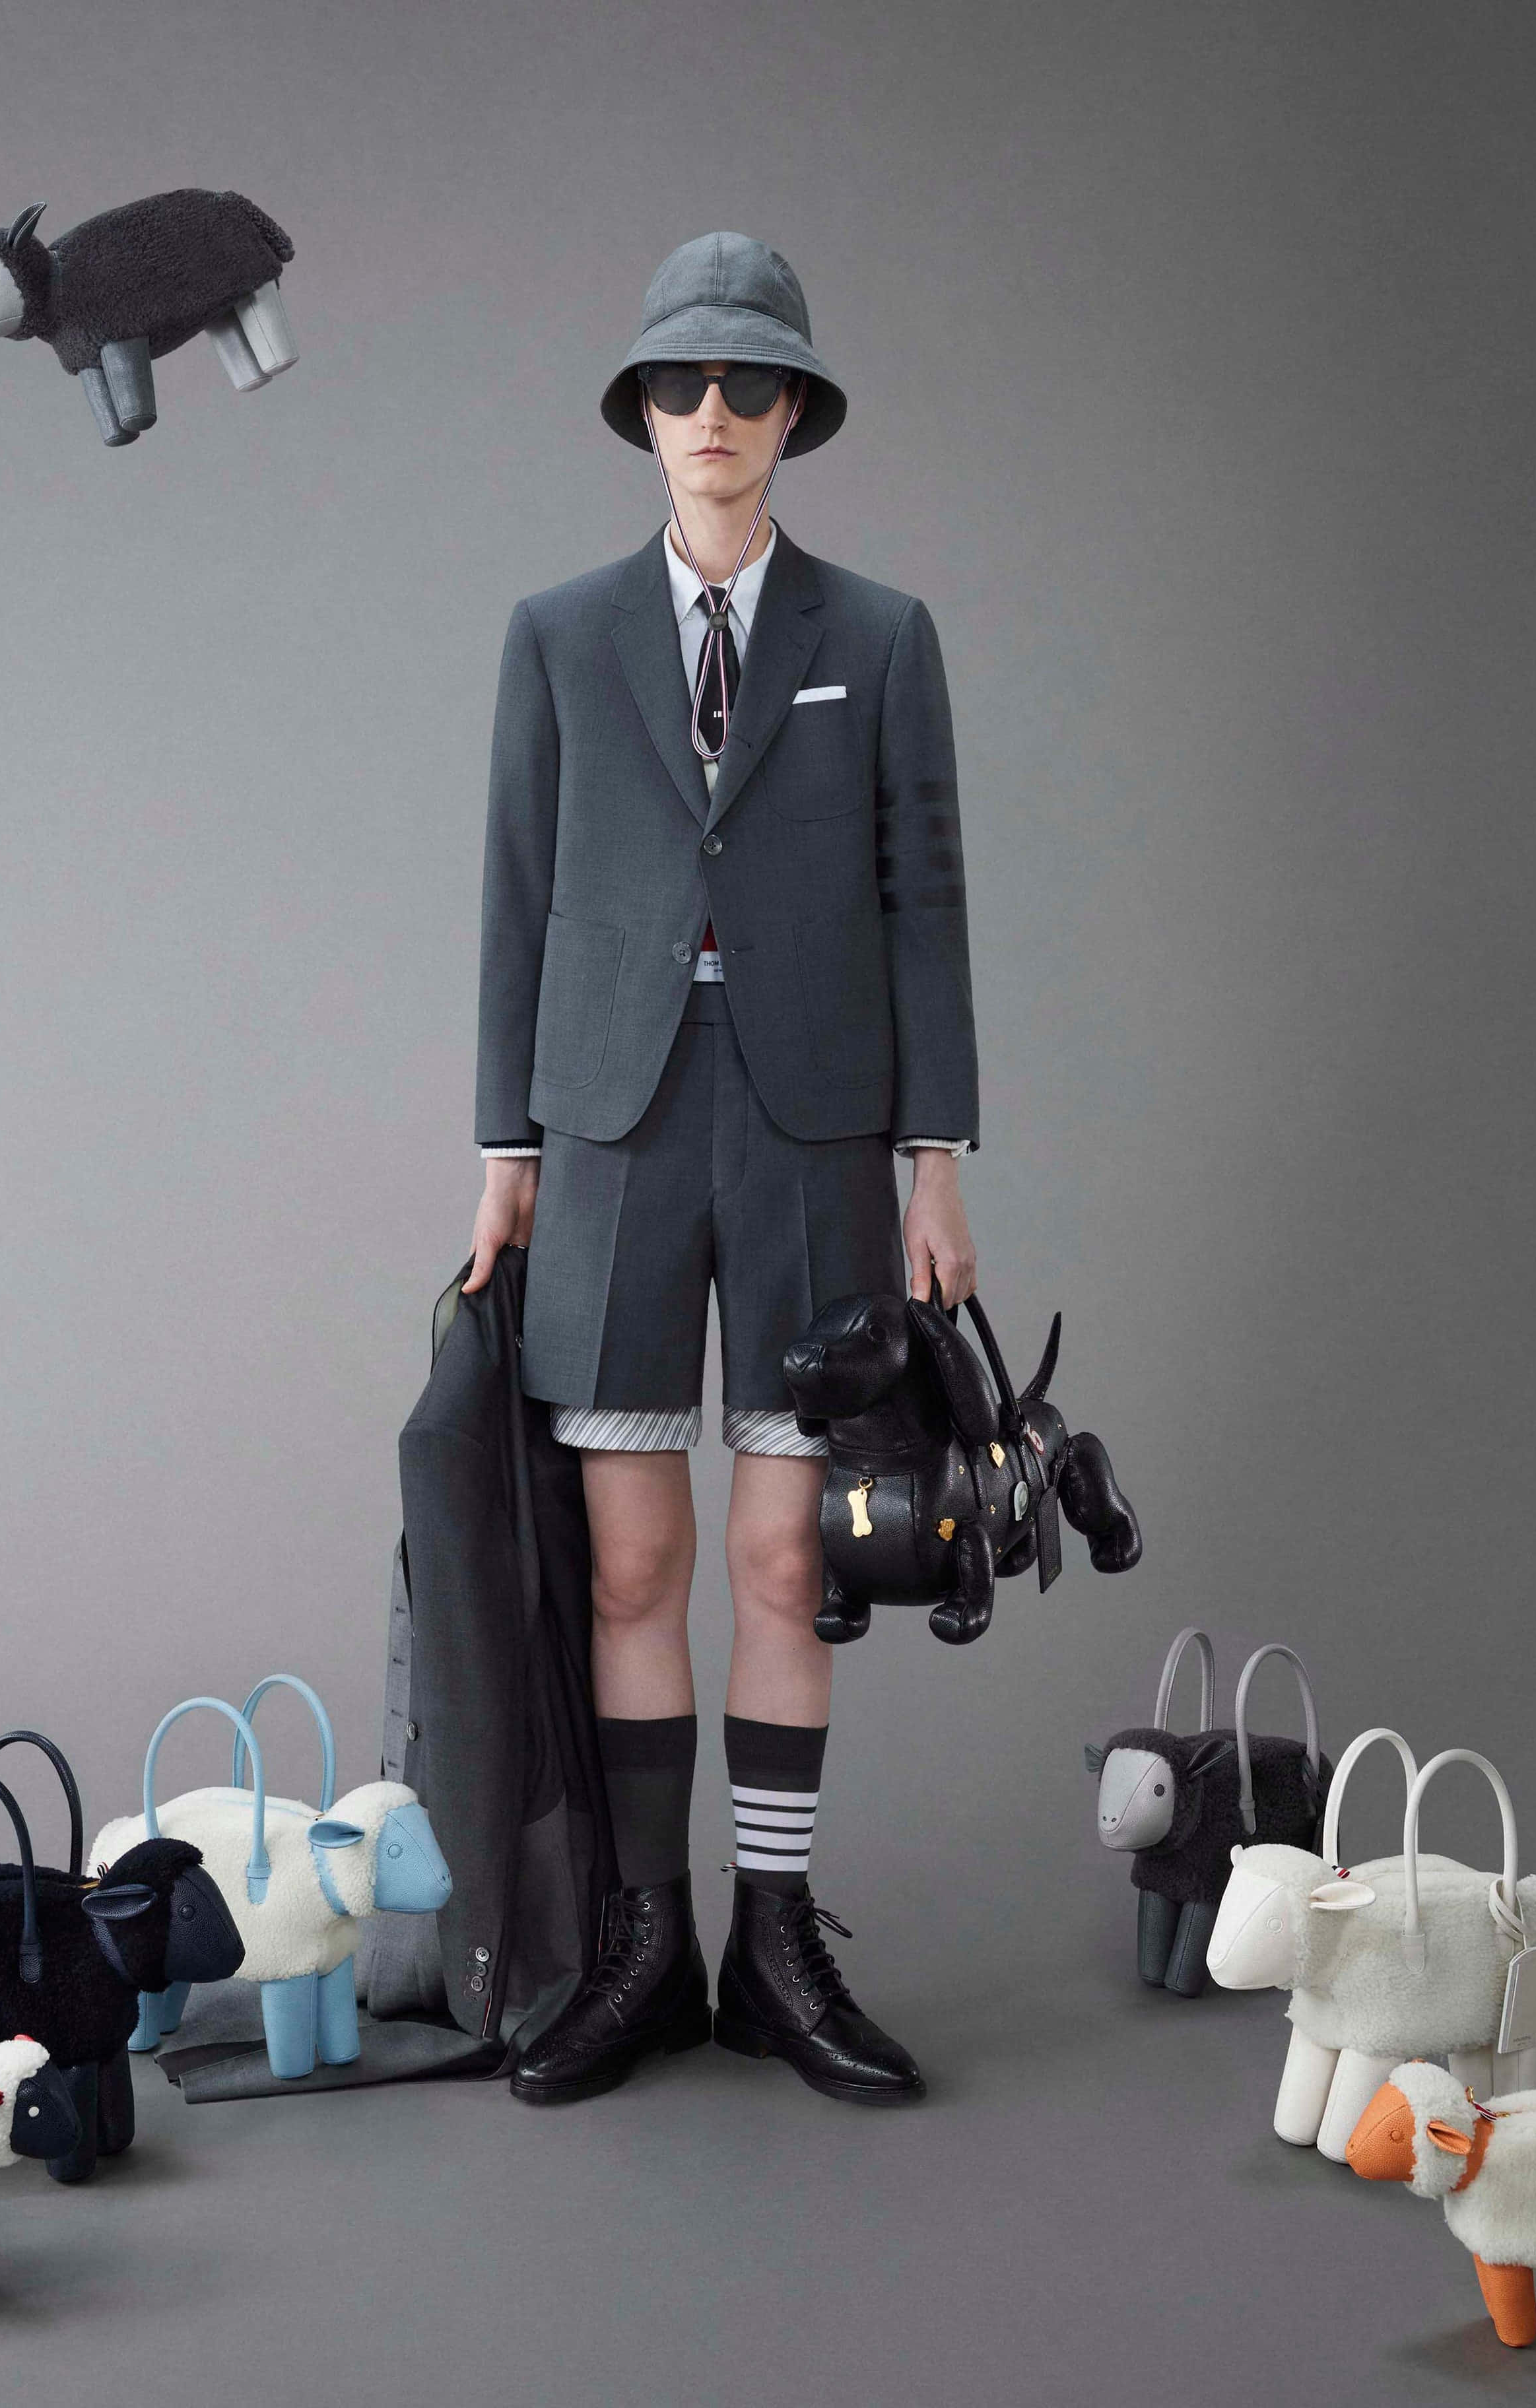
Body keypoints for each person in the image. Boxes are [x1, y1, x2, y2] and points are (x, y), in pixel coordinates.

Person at [467, 232, 979, 2105]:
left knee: (782, 1548)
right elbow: (518, 895)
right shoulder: (555, 634)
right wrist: (505, 1152)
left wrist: (936, 1161)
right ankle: (643, 1945)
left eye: (746, 385)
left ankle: (774, 1946)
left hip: (811, 1126)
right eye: (681, 385)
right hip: (608, 1125)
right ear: (644, 414)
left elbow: (925, 906)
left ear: (792, 414)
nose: (711, 415)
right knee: (632, 1562)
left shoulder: (882, 637)